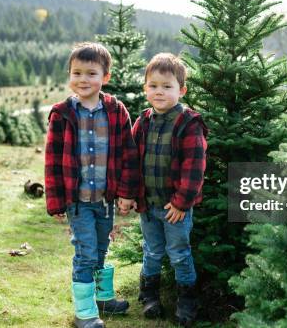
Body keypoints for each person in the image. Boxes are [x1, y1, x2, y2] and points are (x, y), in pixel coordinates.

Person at [45, 42, 138, 328]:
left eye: (91, 73)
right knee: (85, 253)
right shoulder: (61, 114)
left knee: (100, 249)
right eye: (77, 73)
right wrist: (56, 201)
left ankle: (102, 298)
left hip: (105, 199)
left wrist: (126, 193)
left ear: (105, 77)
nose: (83, 79)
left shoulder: (115, 110)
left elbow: (127, 153)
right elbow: (51, 160)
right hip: (78, 200)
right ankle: (84, 314)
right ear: (70, 75)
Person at [132, 53, 208, 327]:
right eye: (153, 86)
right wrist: (129, 195)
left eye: (167, 86)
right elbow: (130, 162)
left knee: (179, 253)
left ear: (181, 90)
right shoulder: (142, 122)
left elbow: (194, 168)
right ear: (145, 88)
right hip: (148, 206)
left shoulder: (188, 123)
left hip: (175, 209)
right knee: (151, 251)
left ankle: (187, 300)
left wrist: (180, 203)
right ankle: (149, 295)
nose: (159, 91)